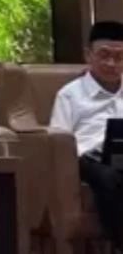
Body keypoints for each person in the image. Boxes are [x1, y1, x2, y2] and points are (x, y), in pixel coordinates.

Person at [50, 21, 123, 251]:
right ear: (88, 55)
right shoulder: (70, 95)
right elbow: (57, 139)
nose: (112, 63)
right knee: (108, 177)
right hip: (86, 160)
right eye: (104, 55)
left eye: (119, 57)